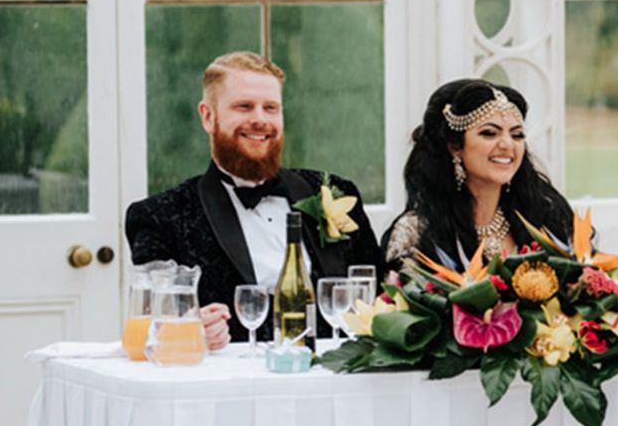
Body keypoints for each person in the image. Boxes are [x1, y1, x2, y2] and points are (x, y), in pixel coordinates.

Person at [126, 51, 381, 348]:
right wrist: (191, 330)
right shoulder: (160, 217)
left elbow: (379, 294)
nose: (260, 120)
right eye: (244, 107)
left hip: (332, 379)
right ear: (208, 116)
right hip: (227, 386)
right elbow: (151, 327)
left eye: (271, 108)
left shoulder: (334, 191)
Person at [383, 78, 574, 269]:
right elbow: (398, 297)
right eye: (489, 133)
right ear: (455, 147)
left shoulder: (545, 217)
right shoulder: (416, 231)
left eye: (517, 135)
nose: (507, 145)